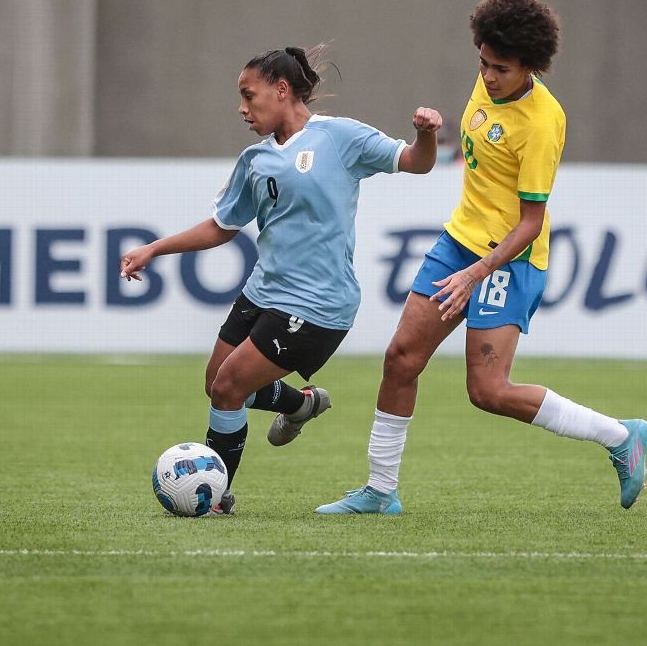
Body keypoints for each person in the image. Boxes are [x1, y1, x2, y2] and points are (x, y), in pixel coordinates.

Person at [316, 0, 647, 516]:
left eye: (500, 68)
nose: (488, 76)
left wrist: (476, 274)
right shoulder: (486, 80)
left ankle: (620, 435)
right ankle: (380, 492)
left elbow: (531, 221)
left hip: (508, 260)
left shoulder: (542, 124)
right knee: (401, 358)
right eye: (483, 63)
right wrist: (428, 135)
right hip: (459, 243)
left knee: (488, 391)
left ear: (530, 66)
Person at [120, 46, 443, 515]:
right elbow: (221, 227)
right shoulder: (254, 159)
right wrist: (155, 248)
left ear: (282, 89)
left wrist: (425, 134)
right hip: (263, 291)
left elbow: (416, 161)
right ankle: (299, 404)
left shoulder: (338, 138)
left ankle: (214, 497)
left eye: (249, 96)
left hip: (317, 305)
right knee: (216, 383)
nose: (242, 108)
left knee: (230, 388)